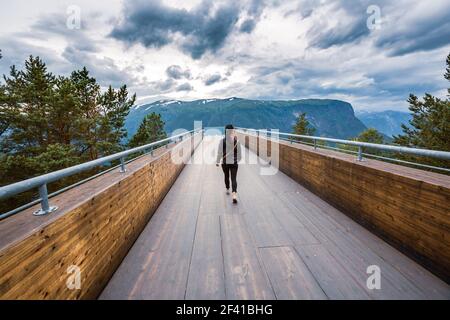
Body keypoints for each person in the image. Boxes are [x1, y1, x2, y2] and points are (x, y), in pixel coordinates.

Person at [216, 124, 241, 204]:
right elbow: (240, 156)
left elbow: (219, 153)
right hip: (234, 163)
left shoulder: (222, 141)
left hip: (225, 163)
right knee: (234, 178)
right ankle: (234, 195)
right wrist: (236, 160)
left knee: (226, 176)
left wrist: (217, 161)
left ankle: (227, 188)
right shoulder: (236, 141)